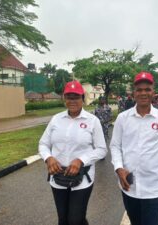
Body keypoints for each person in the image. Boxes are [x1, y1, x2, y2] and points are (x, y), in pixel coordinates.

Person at [110, 72, 158, 225]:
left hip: (153, 188)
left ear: (153, 92)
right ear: (134, 93)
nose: (143, 93)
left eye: (147, 89)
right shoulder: (123, 119)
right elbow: (115, 146)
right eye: (139, 89)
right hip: (129, 187)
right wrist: (118, 168)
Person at [38, 80, 107, 225]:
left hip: (82, 177)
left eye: (76, 97)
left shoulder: (92, 121)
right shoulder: (56, 119)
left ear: (82, 98)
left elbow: (101, 149)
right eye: (69, 97)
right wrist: (48, 158)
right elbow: (43, 144)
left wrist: (81, 160)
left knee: (75, 219)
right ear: (64, 99)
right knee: (63, 220)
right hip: (58, 177)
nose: (72, 100)